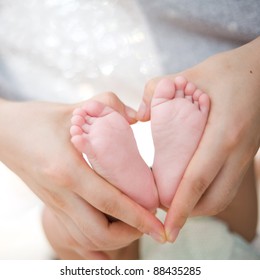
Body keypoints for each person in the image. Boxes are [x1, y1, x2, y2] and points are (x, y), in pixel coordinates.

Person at [0, 0, 259, 259]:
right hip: (232, 109)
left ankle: (128, 194)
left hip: (43, 157)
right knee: (223, 171)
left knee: (85, 231)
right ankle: (179, 167)